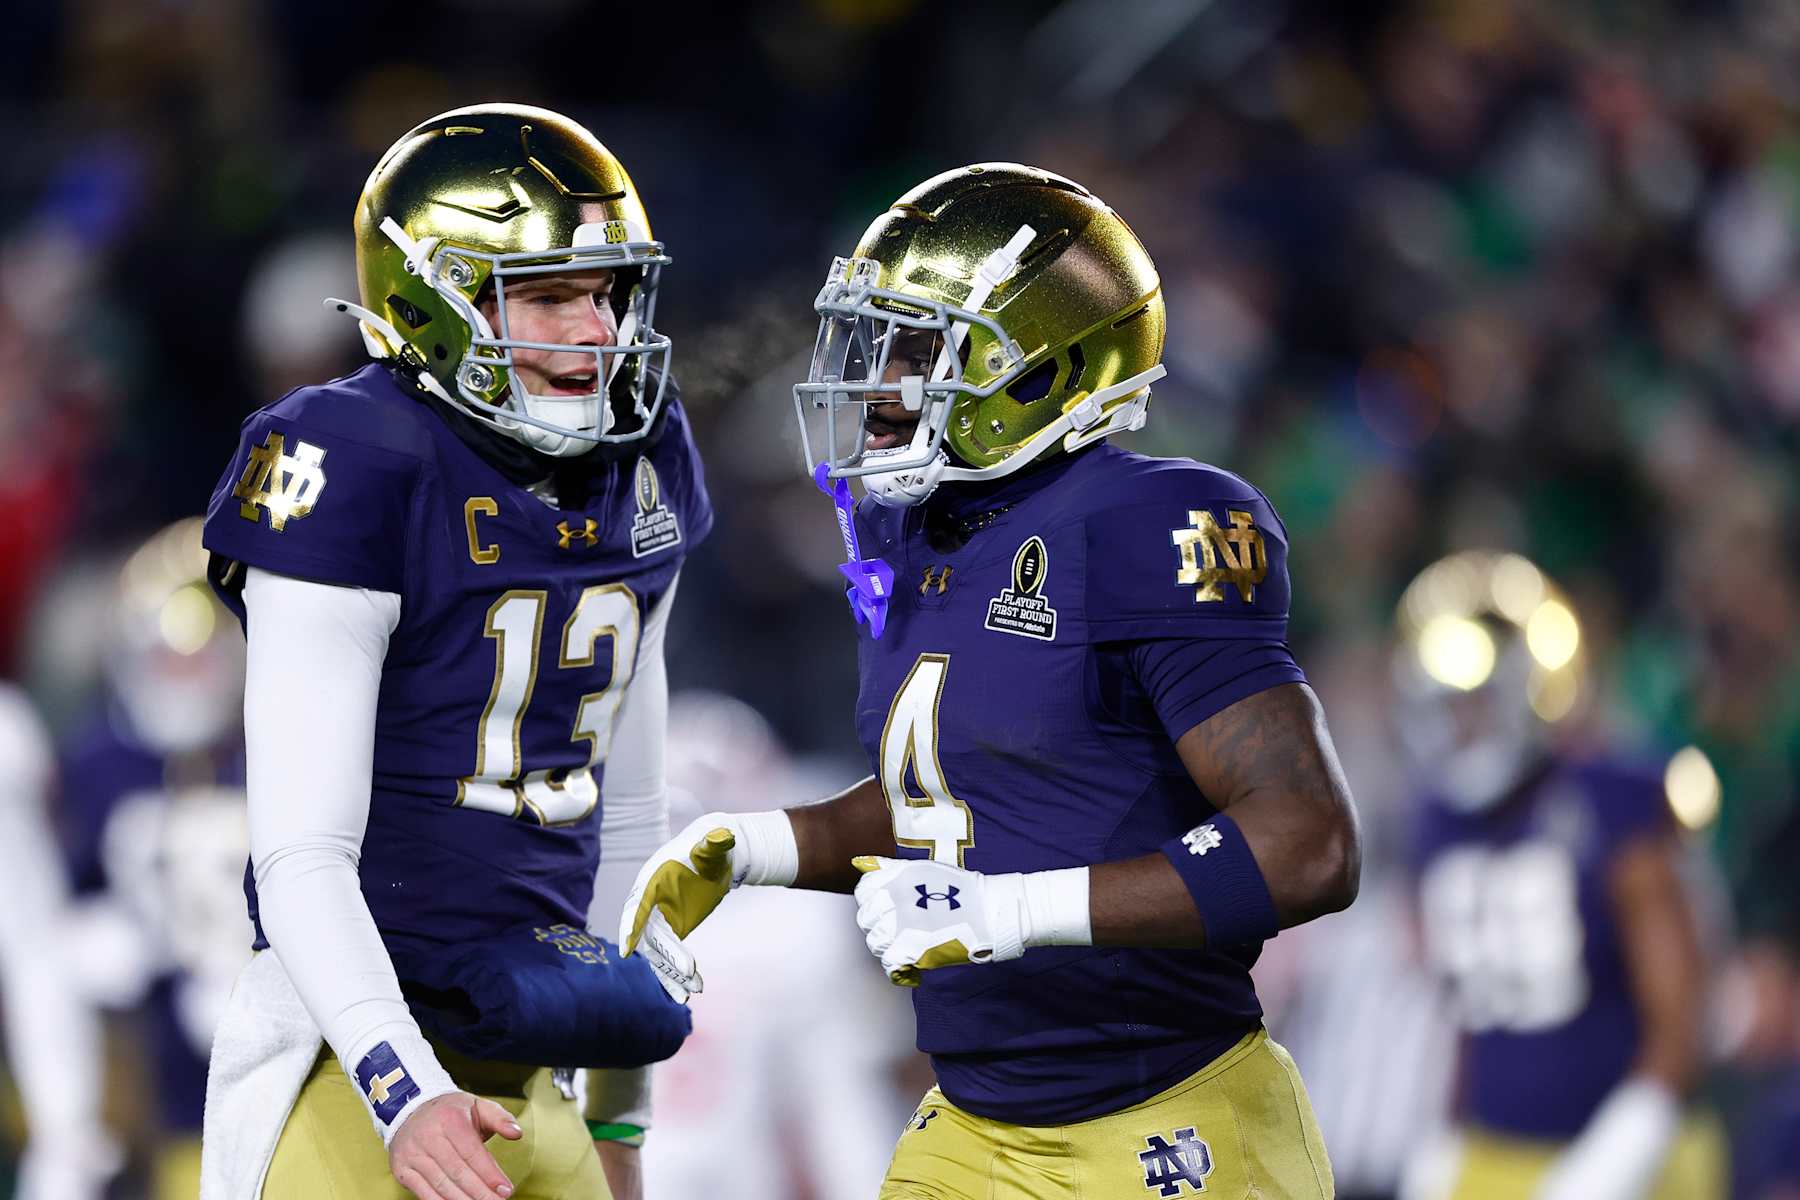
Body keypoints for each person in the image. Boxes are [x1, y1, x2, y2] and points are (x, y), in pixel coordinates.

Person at [623, 163, 1360, 1198]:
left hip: (1165, 1119)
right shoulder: (913, 532)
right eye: (873, 343)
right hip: (974, 1126)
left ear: (1040, 370)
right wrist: (759, 844)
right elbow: (959, 803)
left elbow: (1308, 843)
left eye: (916, 350)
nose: (875, 384)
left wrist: (1012, 913)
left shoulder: (1148, 523)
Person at [198, 103, 707, 1200]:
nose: (598, 332)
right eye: (549, 295)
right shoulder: (351, 455)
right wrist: (404, 1087)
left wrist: (621, 1124)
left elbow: (623, 813)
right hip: (350, 1065)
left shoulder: (644, 455)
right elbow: (301, 857)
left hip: (537, 1067)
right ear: (433, 300)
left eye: (606, 292)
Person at [1392, 551, 1725, 1200]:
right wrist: (1441, 1138)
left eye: (1481, 702)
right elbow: (1459, 1013)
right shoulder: (1433, 823)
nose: (1464, 724)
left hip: (1636, 1147)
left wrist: (1618, 1155)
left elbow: (1684, 1016)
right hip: (1496, 1152)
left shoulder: (1609, 798)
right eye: (1449, 706)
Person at [53, 518, 251, 1200]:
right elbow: (56, 898)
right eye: (168, 658)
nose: (182, 677)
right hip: (145, 1057)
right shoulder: (100, 766)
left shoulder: (273, 761)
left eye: (196, 659)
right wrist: (85, 931)